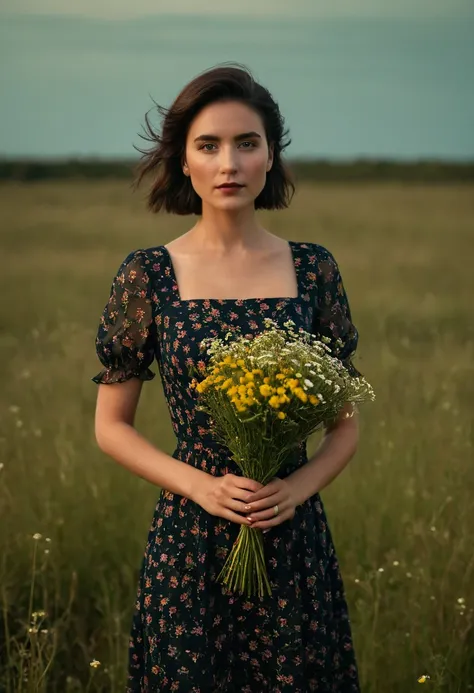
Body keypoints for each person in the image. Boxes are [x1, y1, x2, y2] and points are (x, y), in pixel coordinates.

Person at [92, 62, 363, 693]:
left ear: (272, 155)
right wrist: (201, 487)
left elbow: (345, 429)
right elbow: (111, 427)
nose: (229, 163)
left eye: (248, 143)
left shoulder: (313, 269)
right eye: (208, 146)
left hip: (292, 538)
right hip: (190, 538)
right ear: (184, 162)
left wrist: (296, 492)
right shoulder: (148, 276)